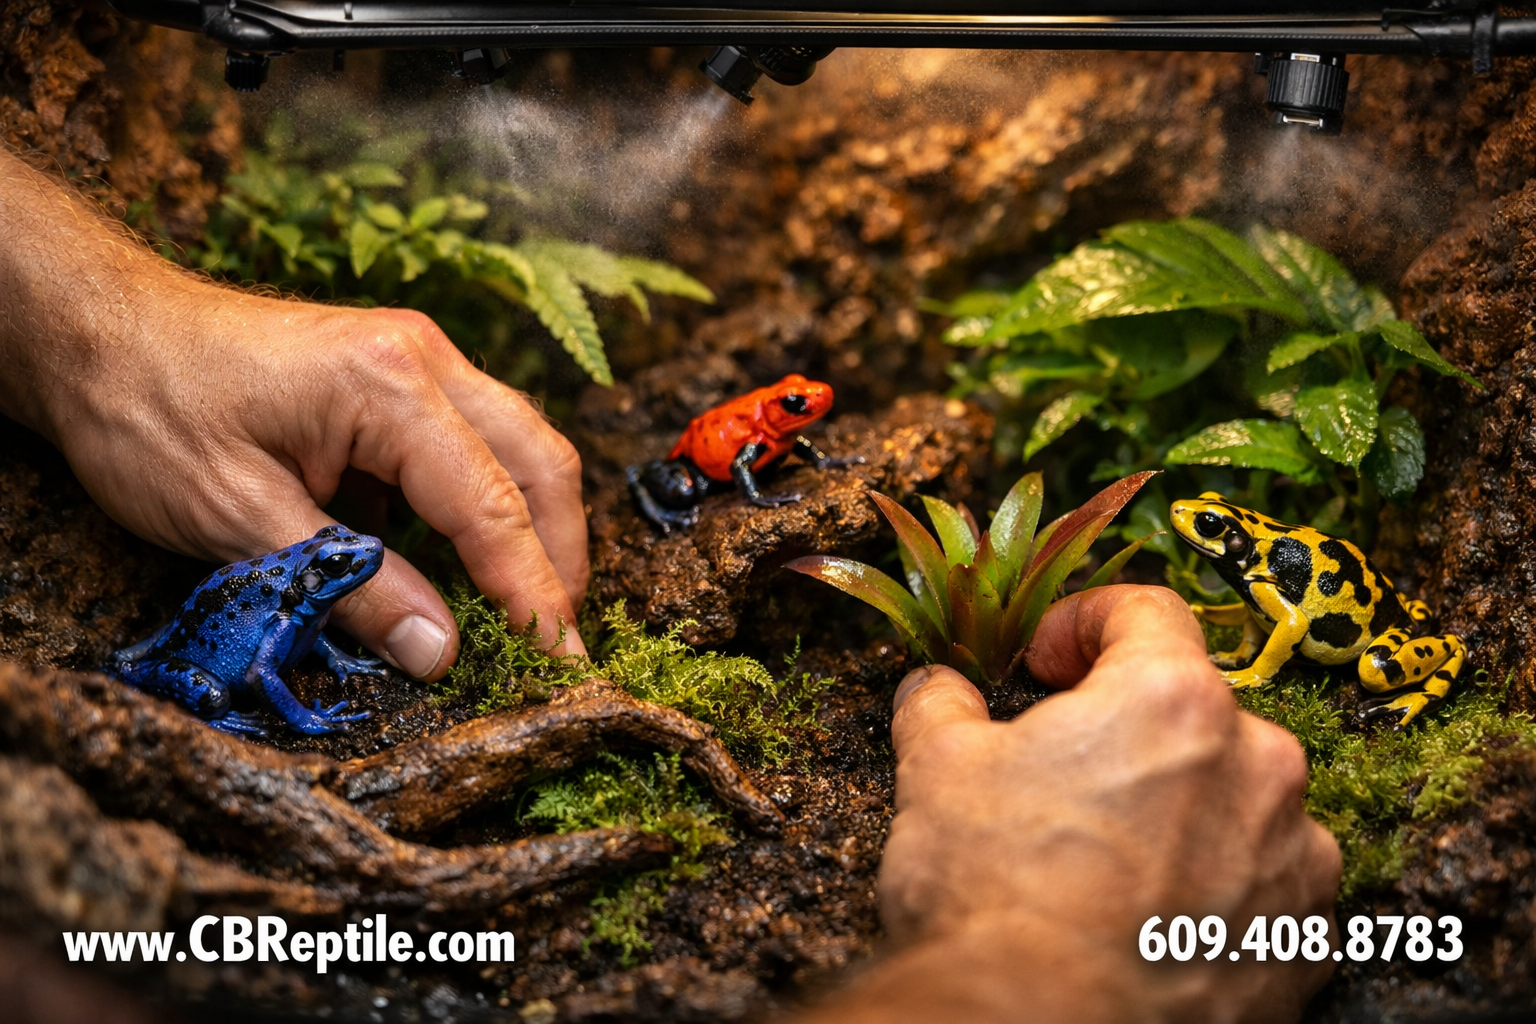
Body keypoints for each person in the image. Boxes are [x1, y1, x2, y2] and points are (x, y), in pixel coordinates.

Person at [0, 144, 1341, 1021]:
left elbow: (768, 441)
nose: (801, 416)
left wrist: (85, 320)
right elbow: (723, 468)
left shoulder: (779, 426)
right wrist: (1062, 963)